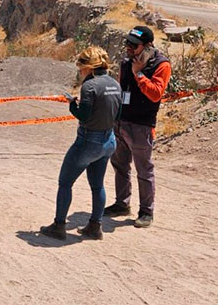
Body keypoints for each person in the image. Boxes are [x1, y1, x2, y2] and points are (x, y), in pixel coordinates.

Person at [40, 46, 122, 241]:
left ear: (88, 67)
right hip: (109, 139)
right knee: (97, 185)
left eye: (81, 67)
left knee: (65, 182)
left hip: (88, 140)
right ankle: (95, 226)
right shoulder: (115, 84)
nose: (80, 71)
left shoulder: (89, 86)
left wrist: (72, 105)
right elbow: (119, 114)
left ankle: (59, 226)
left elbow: (83, 115)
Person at [104, 26, 171, 228]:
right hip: (121, 121)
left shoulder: (161, 64)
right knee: (120, 165)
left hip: (141, 125)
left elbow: (156, 94)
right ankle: (122, 203)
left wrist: (138, 74)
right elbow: (119, 89)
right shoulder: (126, 62)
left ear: (148, 46)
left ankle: (146, 212)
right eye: (127, 43)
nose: (128, 47)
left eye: (134, 45)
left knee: (144, 170)